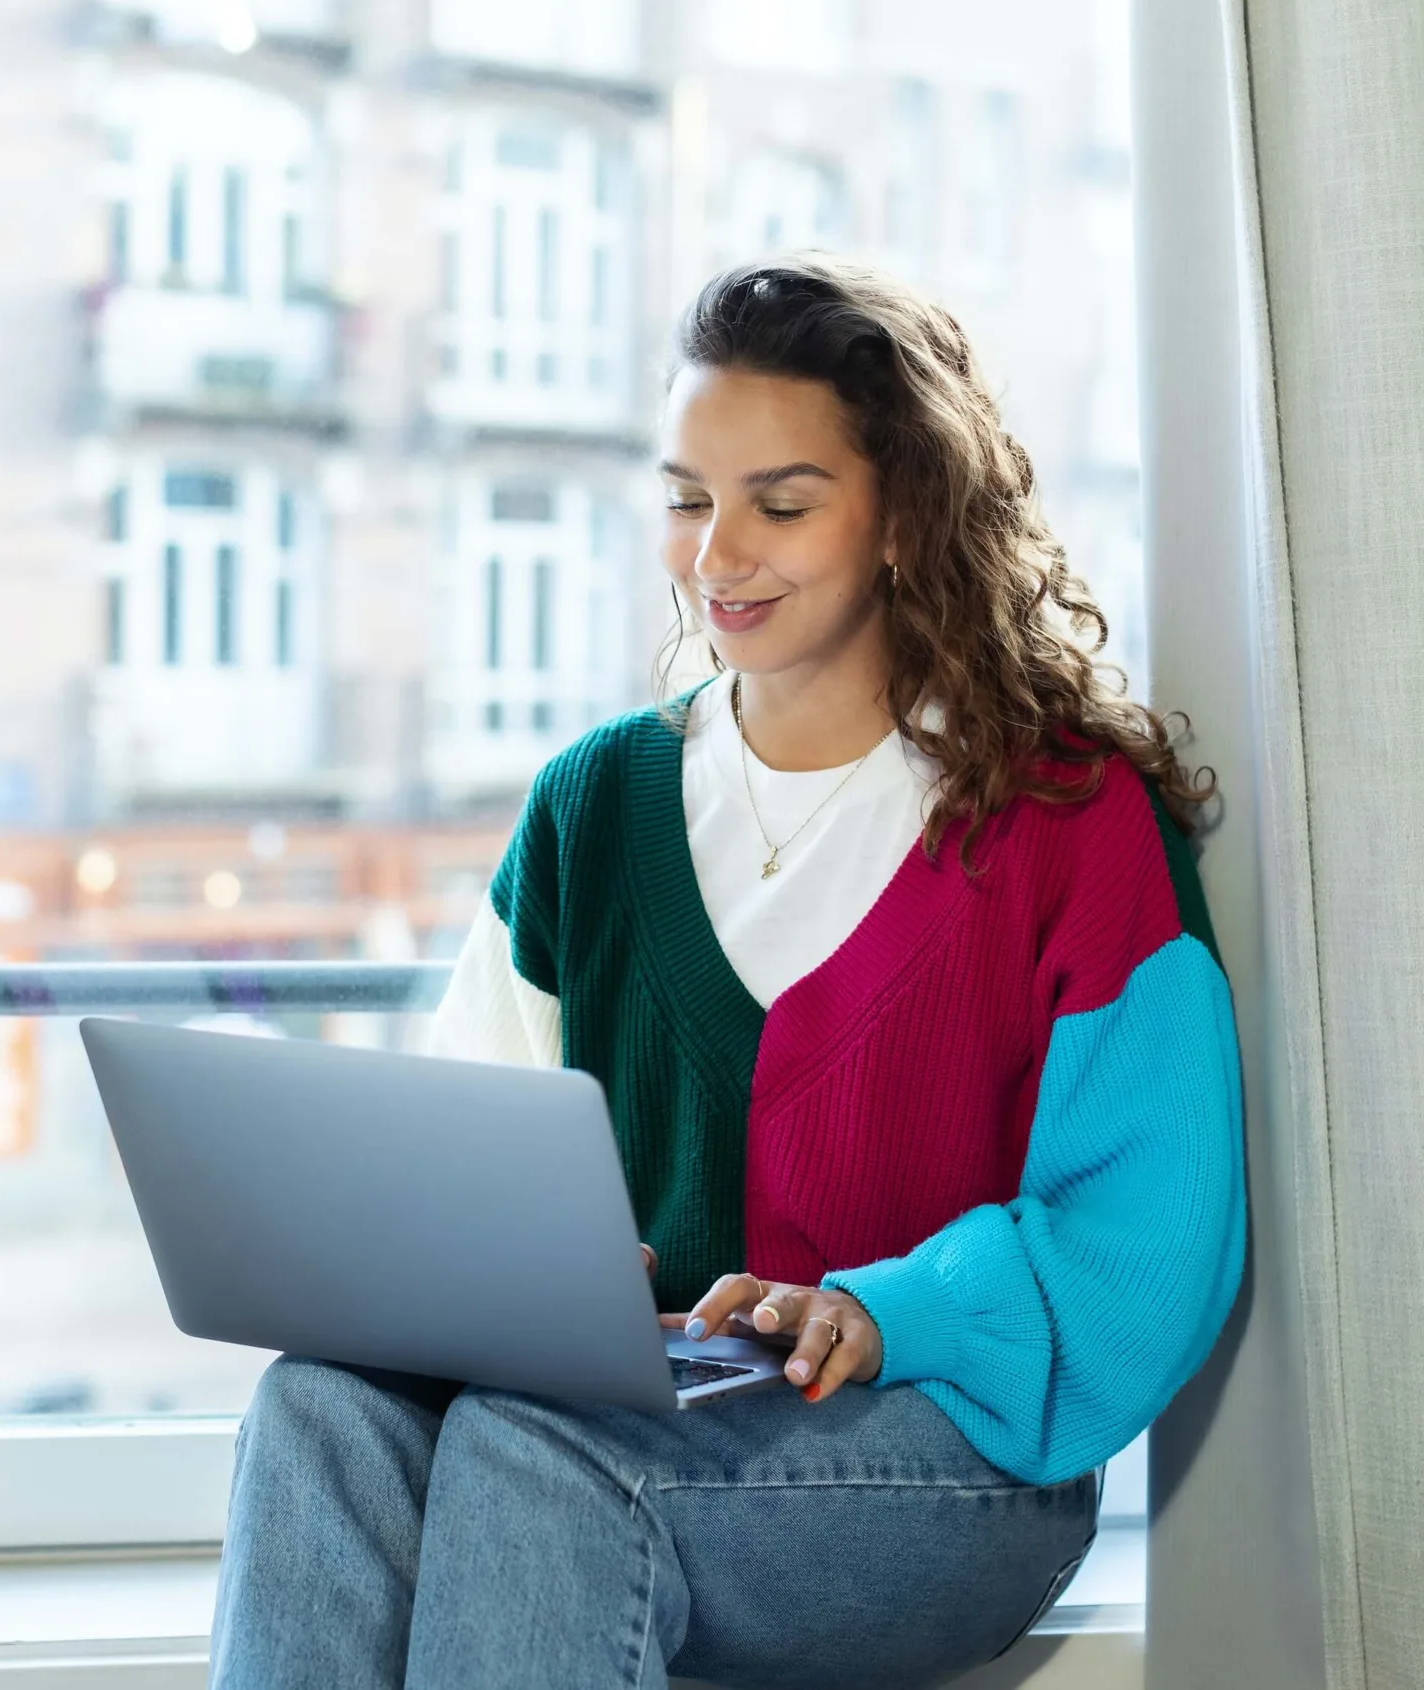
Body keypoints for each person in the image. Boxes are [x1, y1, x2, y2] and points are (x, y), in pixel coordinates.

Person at [207, 256, 1246, 1690]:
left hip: (953, 1459)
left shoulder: (1065, 822)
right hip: (629, 1406)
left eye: (782, 501)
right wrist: (524, 1266)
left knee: (536, 1457)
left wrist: (893, 1306)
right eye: (689, 496)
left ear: (903, 515)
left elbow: (1150, 1232)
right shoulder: (592, 804)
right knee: (320, 1409)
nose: (717, 551)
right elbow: (464, 1151)